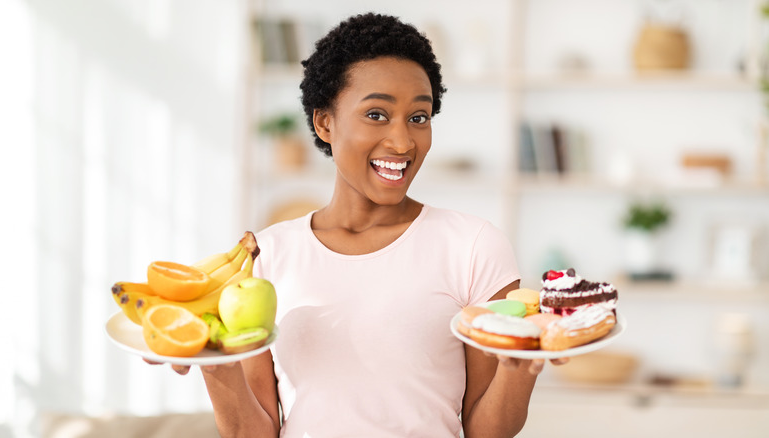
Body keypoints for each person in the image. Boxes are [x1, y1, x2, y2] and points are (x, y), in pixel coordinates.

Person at [168, 13, 566, 437]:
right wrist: (214, 365)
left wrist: (522, 367)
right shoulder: (267, 256)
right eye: (377, 114)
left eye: (419, 117)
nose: (402, 142)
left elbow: (488, 432)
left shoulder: (472, 246)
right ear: (325, 123)